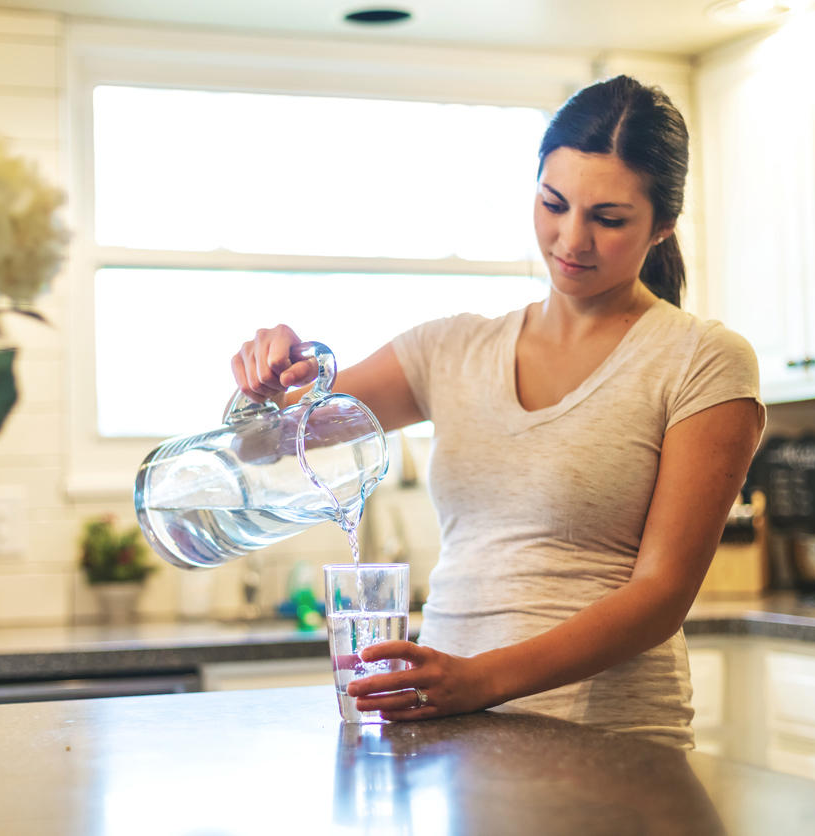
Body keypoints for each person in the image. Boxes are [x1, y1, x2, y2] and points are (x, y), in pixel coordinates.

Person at [230, 75, 765, 748]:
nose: (572, 240)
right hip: (451, 737)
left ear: (662, 227)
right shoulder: (449, 349)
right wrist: (263, 383)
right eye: (553, 203)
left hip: (612, 745)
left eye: (608, 219)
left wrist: (478, 681)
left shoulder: (701, 360)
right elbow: (265, 448)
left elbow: (662, 596)